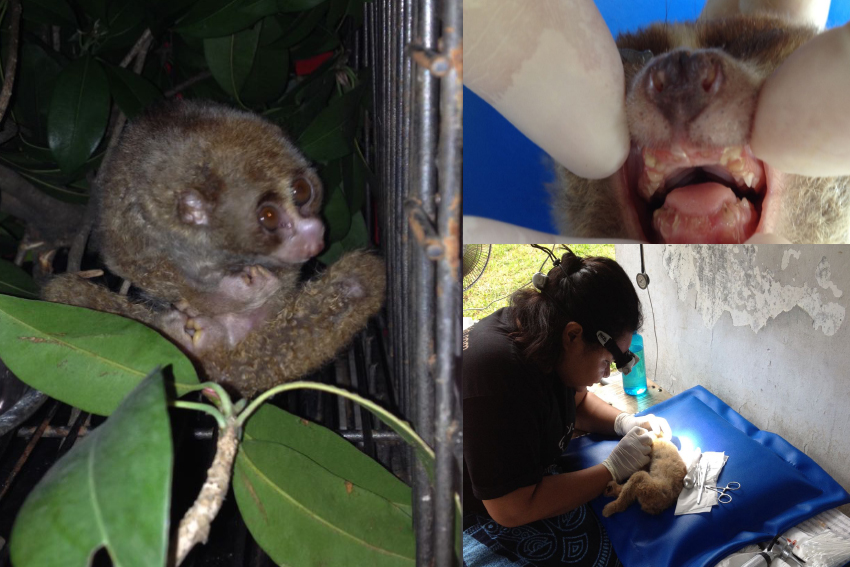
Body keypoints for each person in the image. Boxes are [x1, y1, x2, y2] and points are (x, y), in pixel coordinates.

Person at [463, 248, 671, 567]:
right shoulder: (496, 373)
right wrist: (611, 469)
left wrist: (624, 423)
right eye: (606, 360)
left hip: (518, 485)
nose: (607, 373)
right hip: (473, 509)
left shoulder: (545, 332)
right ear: (573, 335)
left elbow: (578, 399)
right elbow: (510, 508)